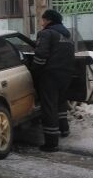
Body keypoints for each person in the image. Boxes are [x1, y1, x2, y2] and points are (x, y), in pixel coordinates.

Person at [32, 8, 75, 153]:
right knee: (60, 103)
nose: (42, 23)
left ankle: (51, 143)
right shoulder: (67, 35)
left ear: (48, 20)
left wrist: (34, 72)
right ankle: (64, 130)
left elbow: (40, 56)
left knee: (49, 107)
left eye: (43, 20)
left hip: (50, 75)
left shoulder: (46, 34)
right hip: (66, 75)